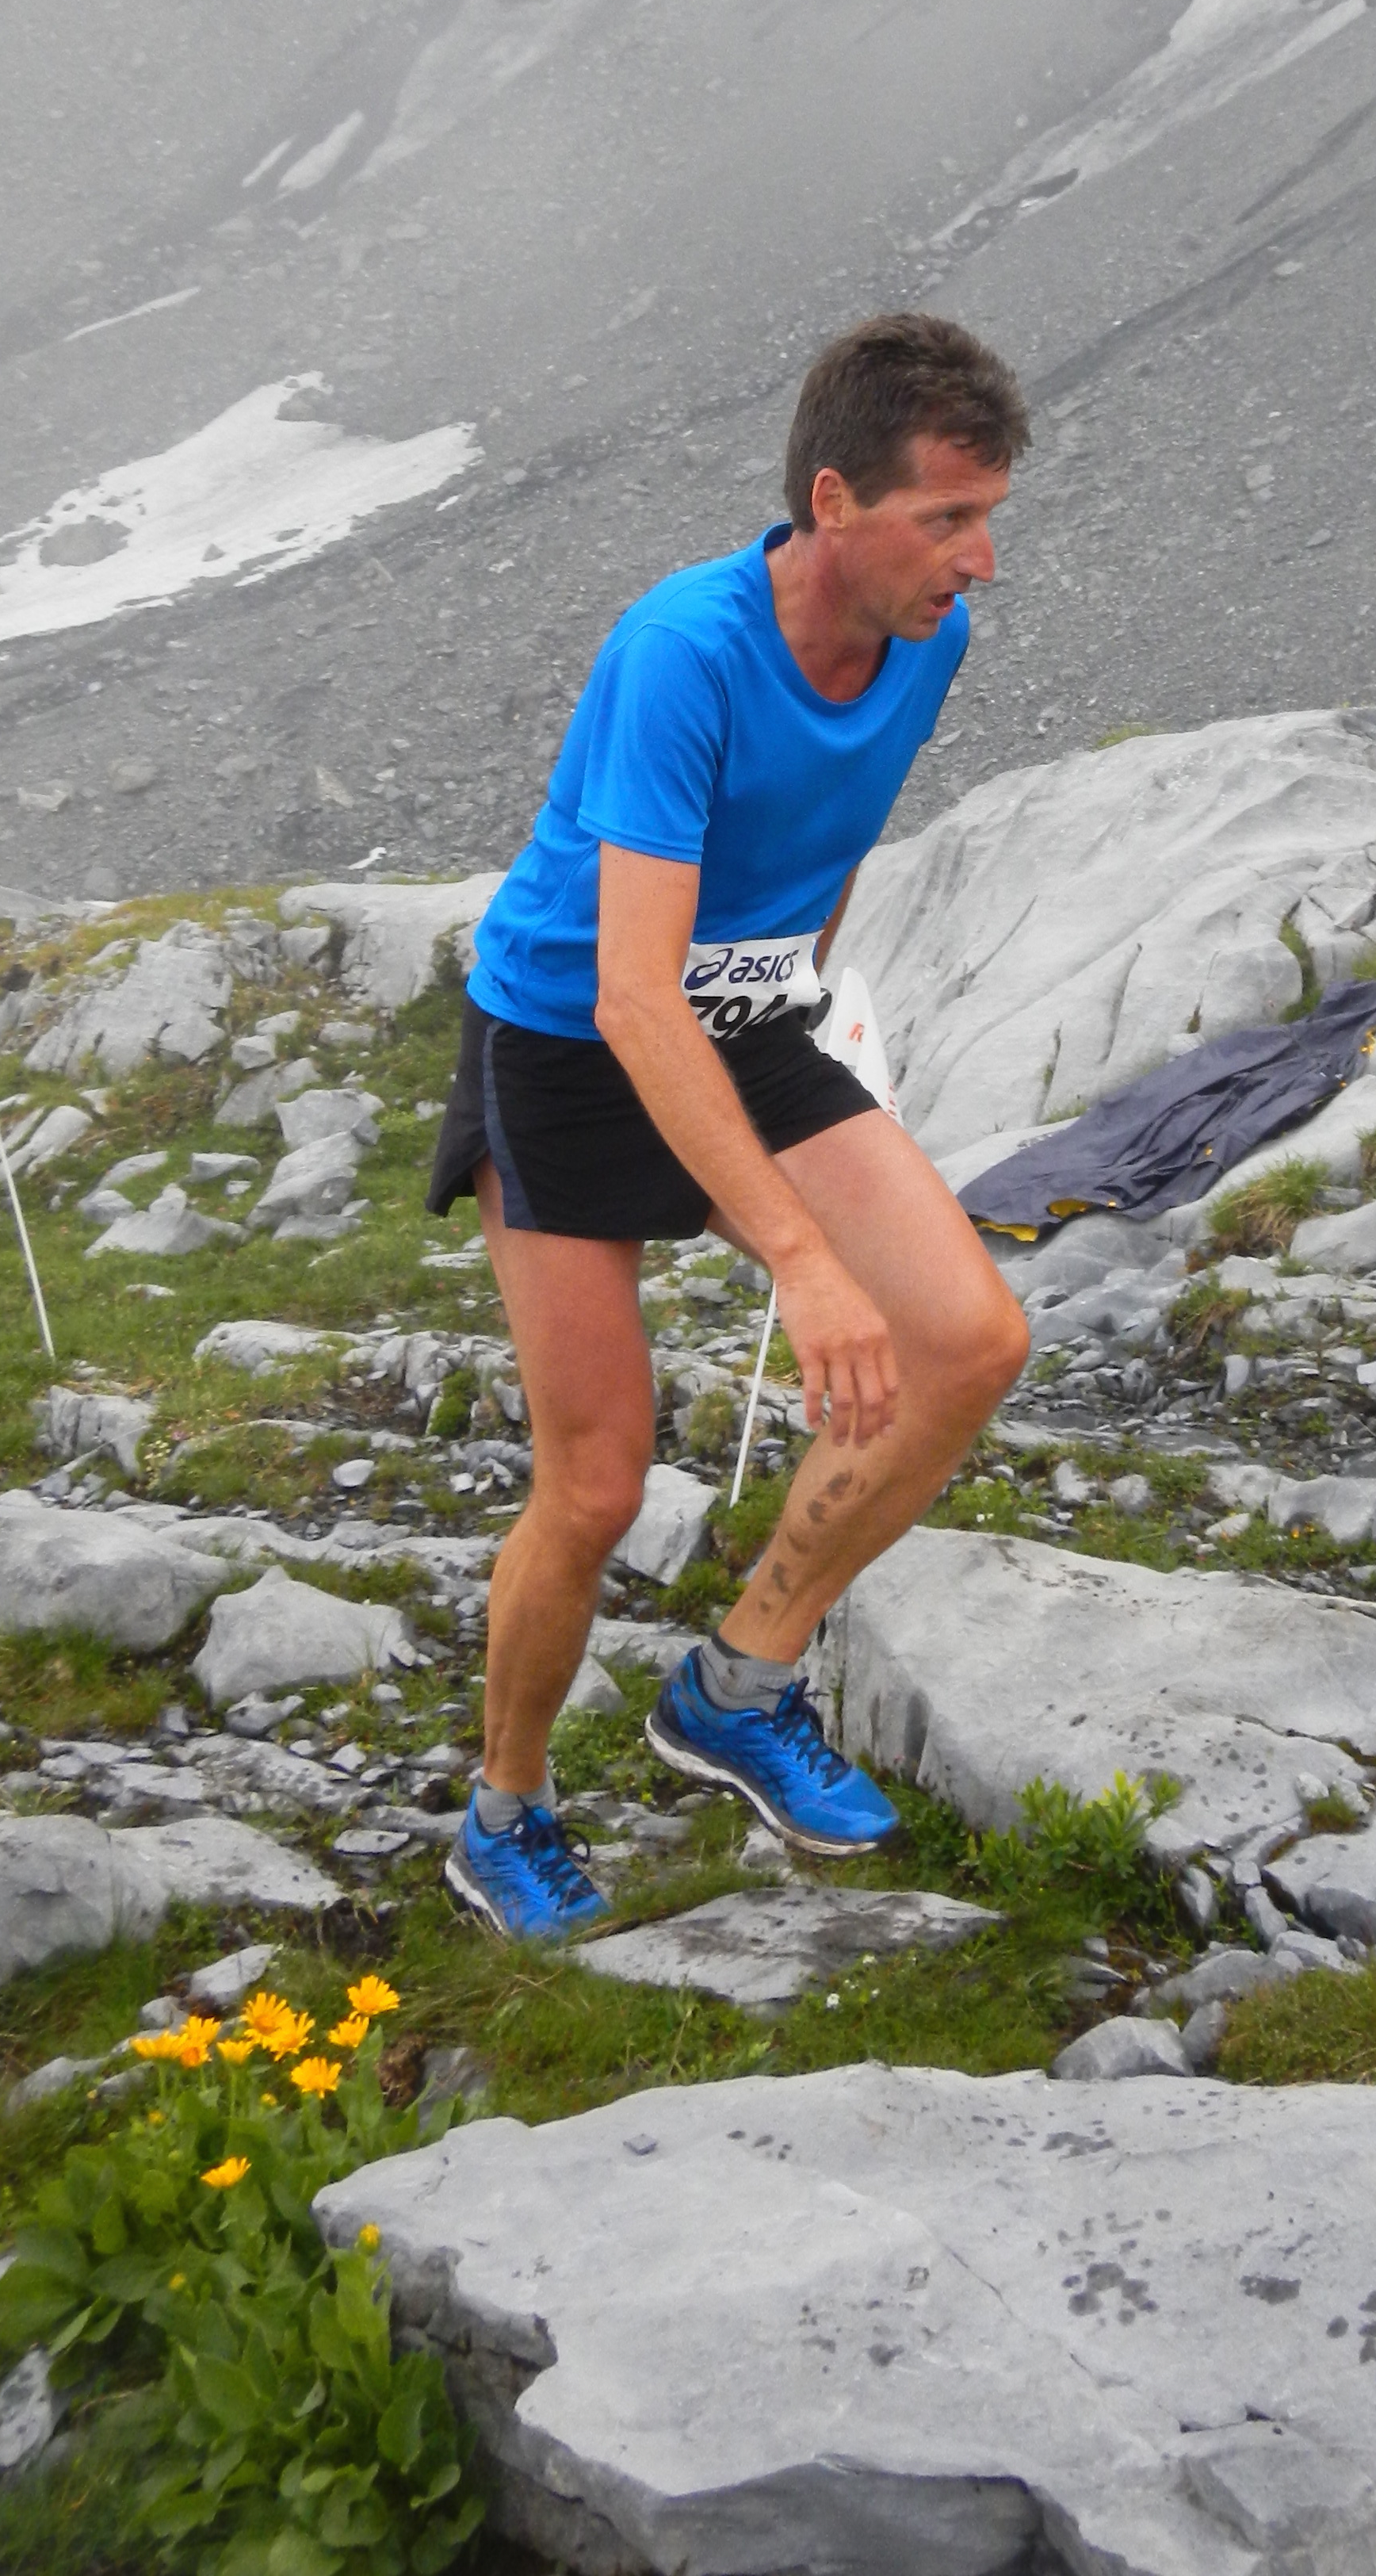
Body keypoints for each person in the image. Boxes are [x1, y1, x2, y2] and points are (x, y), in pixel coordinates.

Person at [427, 313, 1034, 1941]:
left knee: (968, 1340)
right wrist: (801, 1260)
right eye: (946, 518)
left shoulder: (929, 640)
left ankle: (737, 1681)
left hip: (752, 1018)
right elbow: (633, 996)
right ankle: (504, 1809)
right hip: (570, 1039)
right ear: (834, 501)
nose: (980, 559)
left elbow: (832, 836)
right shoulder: (682, 648)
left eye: (988, 517)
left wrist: (805, 1014)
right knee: (597, 1483)